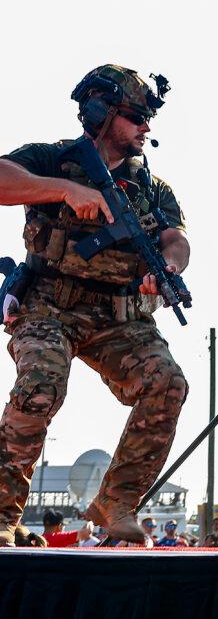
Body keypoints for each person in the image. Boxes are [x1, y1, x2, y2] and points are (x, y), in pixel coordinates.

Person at [0, 65, 189, 547]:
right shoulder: (52, 159)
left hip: (119, 317)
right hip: (49, 306)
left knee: (167, 384)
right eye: (134, 116)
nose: (145, 127)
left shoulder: (152, 187)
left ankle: (116, 502)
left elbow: (176, 239)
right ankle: (1, 510)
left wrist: (165, 266)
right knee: (40, 385)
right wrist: (65, 190)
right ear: (100, 112)